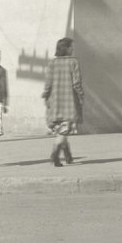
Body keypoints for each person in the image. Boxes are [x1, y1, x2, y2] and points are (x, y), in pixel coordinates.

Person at [42, 37, 85, 167]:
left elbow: (48, 83)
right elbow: (76, 82)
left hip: (54, 101)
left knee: (62, 128)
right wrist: (81, 95)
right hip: (69, 101)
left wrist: (45, 96)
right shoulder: (73, 62)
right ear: (66, 48)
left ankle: (68, 156)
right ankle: (55, 154)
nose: (73, 48)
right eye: (71, 46)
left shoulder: (52, 63)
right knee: (64, 130)